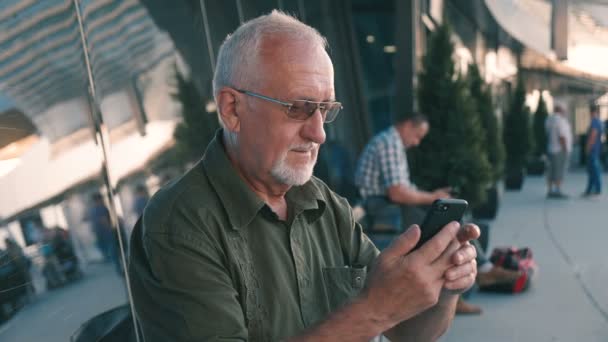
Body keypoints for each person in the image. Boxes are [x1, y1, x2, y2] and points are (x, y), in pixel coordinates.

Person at [128, 11, 479, 341]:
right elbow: (379, 312)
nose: (319, 133)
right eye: (298, 108)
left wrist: (442, 289)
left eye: (325, 110)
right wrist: (373, 309)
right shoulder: (178, 225)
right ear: (232, 109)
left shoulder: (322, 201)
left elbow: (404, 330)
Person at [355, 114, 451, 231]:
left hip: (383, 203)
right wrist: (433, 198)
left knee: (442, 222)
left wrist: (435, 196)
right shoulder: (389, 143)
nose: (417, 143)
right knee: (439, 227)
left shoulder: (393, 143)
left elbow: (403, 188)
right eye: (417, 136)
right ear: (407, 126)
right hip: (377, 206)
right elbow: (397, 193)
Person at [545, 103, 572, 198]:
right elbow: (562, 136)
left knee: (551, 171)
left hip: (551, 148)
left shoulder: (549, 119)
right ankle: (557, 191)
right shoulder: (560, 120)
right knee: (559, 171)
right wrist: (565, 149)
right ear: (560, 110)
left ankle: (550, 190)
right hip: (560, 150)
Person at [582, 103, 604, 197]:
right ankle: (590, 189)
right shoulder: (599, 121)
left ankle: (596, 189)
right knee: (592, 170)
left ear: (592, 112)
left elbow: (593, 135)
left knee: (594, 170)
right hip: (596, 148)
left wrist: (588, 147)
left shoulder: (594, 121)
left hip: (593, 149)